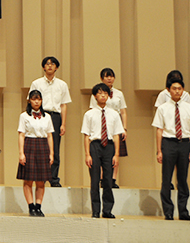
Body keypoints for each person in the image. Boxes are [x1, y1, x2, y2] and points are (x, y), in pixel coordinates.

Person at [152, 78, 190, 221]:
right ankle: (168, 211)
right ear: (168, 90)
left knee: (183, 179)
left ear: (183, 90)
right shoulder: (163, 108)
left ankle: (183, 211)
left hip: (184, 143)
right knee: (166, 179)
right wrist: (159, 150)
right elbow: (159, 130)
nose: (177, 91)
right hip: (168, 142)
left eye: (180, 88)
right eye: (174, 88)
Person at [81, 83, 124, 219]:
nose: (103, 95)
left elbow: (117, 135)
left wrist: (116, 154)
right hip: (95, 145)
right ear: (95, 96)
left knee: (108, 179)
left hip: (109, 146)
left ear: (109, 95)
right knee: (94, 180)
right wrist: (87, 154)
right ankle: (95, 210)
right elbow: (86, 135)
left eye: (105, 93)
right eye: (100, 93)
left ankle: (107, 209)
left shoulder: (114, 114)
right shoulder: (89, 114)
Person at [28, 56, 71, 187]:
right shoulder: (36, 83)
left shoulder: (62, 84)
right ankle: (40, 177)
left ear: (57, 67)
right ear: (43, 67)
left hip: (55, 116)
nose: (50, 66)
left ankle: (53, 178)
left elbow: (63, 105)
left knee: (55, 148)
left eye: (53, 64)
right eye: (47, 64)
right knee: (40, 146)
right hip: (40, 114)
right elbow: (30, 102)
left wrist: (63, 123)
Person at [17, 90, 53, 217]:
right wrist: (21, 153)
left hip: (43, 146)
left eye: (38, 99)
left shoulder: (47, 116)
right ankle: (31, 206)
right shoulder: (24, 116)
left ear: (42, 101)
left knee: (41, 181)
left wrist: (51, 153)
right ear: (29, 101)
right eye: (33, 99)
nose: (36, 101)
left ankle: (38, 206)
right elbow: (21, 135)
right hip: (29, 145)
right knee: (28, 180)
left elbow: (49, 136)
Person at [89, 68, 127, 188]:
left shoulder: (119, 93)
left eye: (111, 76)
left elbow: (123, 112)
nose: (109, 78)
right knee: (100, 154)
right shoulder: (95, 94)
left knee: (115, 153)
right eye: (106, 76)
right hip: (101, 125)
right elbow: (92, 111)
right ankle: (102, 179)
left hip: (115, 124)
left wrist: (124, 128)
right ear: (101, 78)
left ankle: (113, 179)